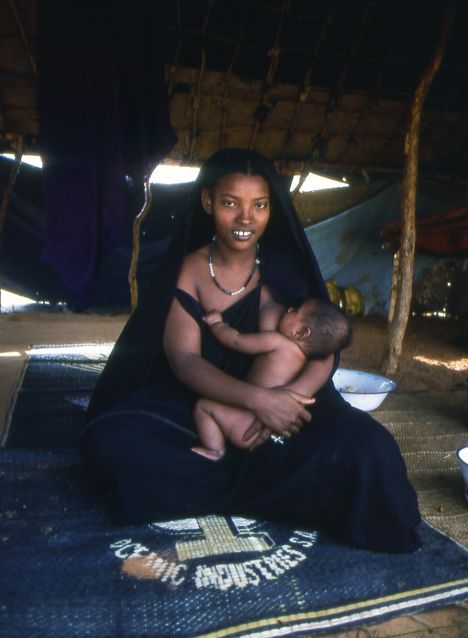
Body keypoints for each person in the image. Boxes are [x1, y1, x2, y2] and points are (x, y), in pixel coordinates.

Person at [82, 148, 421, 553]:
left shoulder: (282, 265)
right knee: (111, 443)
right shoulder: (189, 269)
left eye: (259, 205)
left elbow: (324, 348)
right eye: (231, 203)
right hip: (200, 405)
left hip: (284, 417)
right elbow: (184, 360)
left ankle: (217, 486)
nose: (246, 219)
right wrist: (257, 399)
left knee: (372, 451)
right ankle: (288, 493)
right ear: (208, 202)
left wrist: (291, 400)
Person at [192, 293, 352, 460]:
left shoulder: (276, 342)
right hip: (279, 427)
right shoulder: (303, 361)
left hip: (247, 425)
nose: (289, 309)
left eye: (295, 311)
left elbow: (236, 341)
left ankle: (215, 450)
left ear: (301, 333)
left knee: (203, 407)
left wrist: (217, 324)